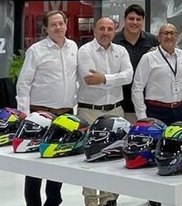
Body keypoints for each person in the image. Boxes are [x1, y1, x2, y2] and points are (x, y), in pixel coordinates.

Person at [16, 10, 78, 206]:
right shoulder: (36, 50)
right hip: (40, 114)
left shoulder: (73, 47)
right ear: (46, 28)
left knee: (58, 158)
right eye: (53, 24)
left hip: (65, 114)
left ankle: (53, 200)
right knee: (34, 163)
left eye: (61, 23)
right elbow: (23, 83)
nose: (58, 27)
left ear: (66, 25)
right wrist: (25, 116)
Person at [77, 17, 133, 206]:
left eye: (110, 29)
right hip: (89, 111)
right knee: (89, 158)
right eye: (102, 28)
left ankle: (109, 198)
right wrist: (114, 78)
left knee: (114, 156)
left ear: (114, 31)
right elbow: (89, 80)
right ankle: (91, 200)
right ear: (94, 30)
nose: (106, 32)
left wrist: (105, 79)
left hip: (116, 110)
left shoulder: (121, 51)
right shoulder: (85, 51)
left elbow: (129, 76)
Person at [132, 23, 182, 124]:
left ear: (177, 37)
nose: (169, 36)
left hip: (180, 110)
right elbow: (137, 88)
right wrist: (142, 116)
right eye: (165, 33)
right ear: (159, 37)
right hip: (156, 111)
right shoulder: (148, 58)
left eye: (172, 33)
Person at [113, 4, 159, 122]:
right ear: (124, 20)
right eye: (131, 18)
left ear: (143, 21)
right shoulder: (114, 40)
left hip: (146, 105)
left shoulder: (152, 41)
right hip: (119, 105)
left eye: (138, 19)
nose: (134, 22)